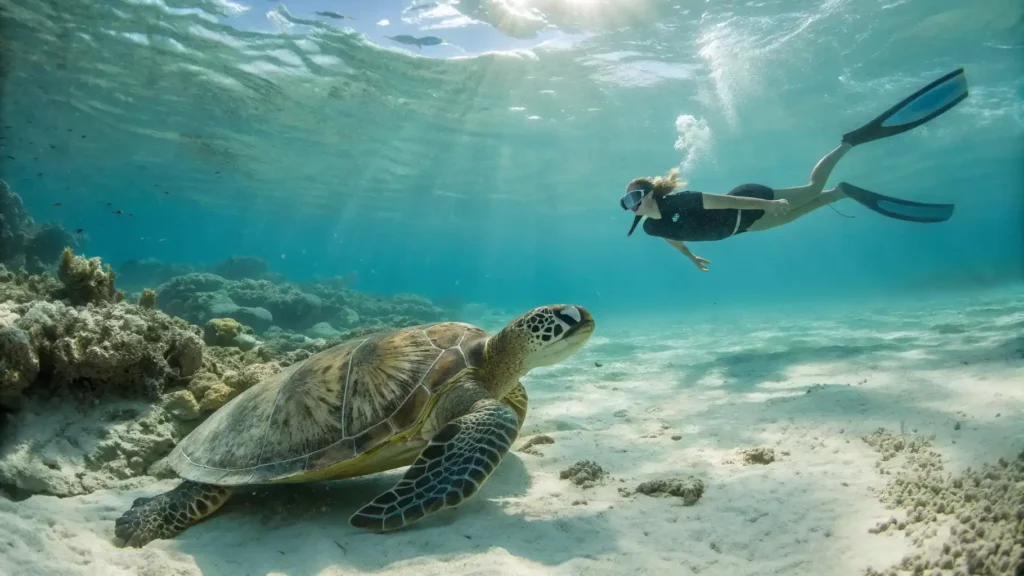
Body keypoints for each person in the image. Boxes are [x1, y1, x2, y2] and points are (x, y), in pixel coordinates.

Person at [620, 68, 969, 272]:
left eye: (633, 196)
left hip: (749, 202)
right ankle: (842, 192)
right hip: (745, 227)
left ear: (649, 193)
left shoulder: (682, 201)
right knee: (798, 214)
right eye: (626, 202)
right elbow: (672, 237)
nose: (630, 204)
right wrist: (691, 256)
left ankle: (849, 141)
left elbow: (725, 201)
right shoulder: (650, 227)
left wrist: (767, 205)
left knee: (810, 190)